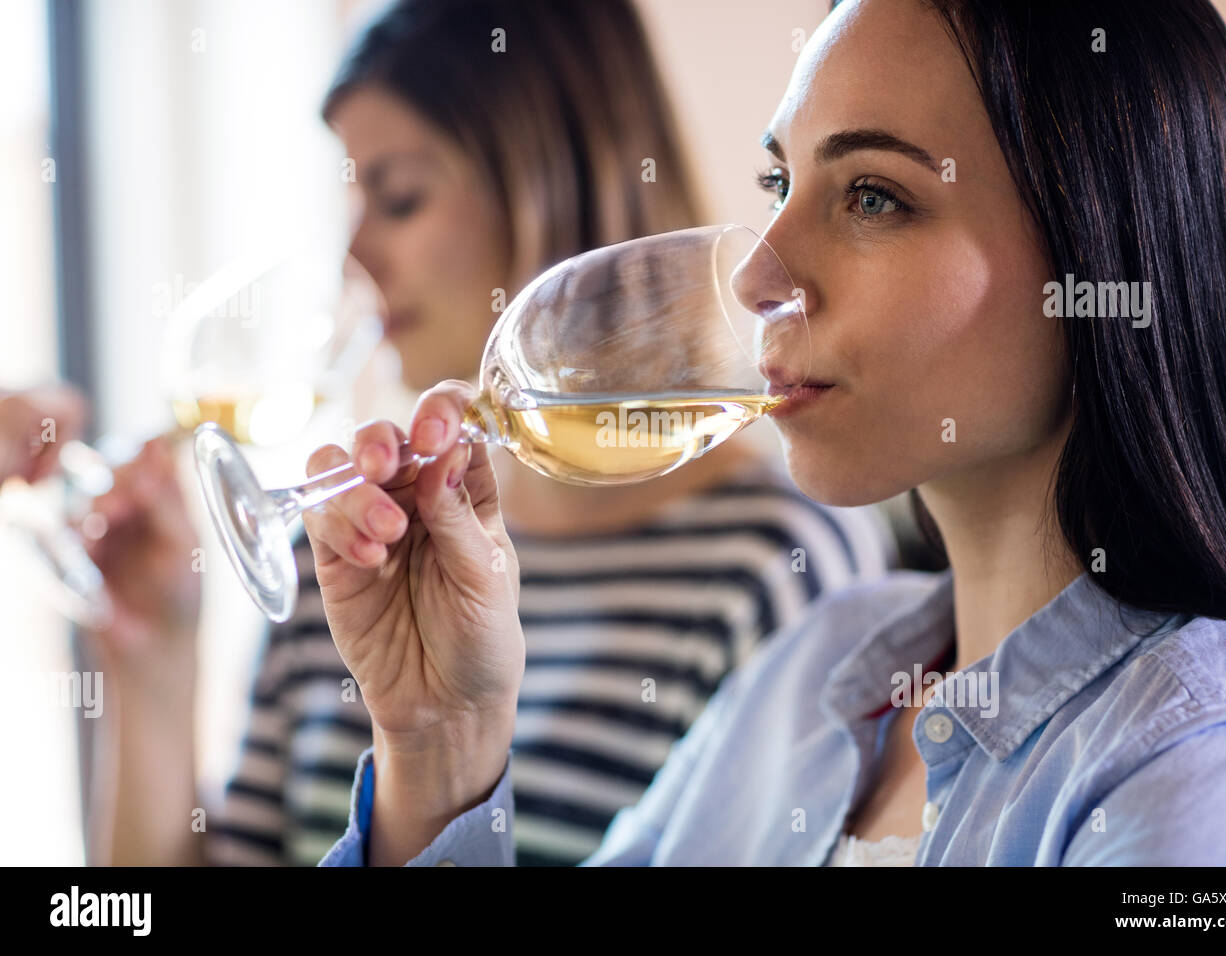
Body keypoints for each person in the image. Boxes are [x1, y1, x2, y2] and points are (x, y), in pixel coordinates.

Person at [311, 0, 1226, 867]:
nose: (756, 276)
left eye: (872, 196)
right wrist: (443, 738)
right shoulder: (807, 677)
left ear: (1097, 257)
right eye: (778, 185)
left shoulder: (1204, 766)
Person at [84, 0, 896, 867]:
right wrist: (154, 665)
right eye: (351, 198)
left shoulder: (779, 562)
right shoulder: (350, 548)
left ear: (550, 179)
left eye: (398, 197)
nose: (353, 256)